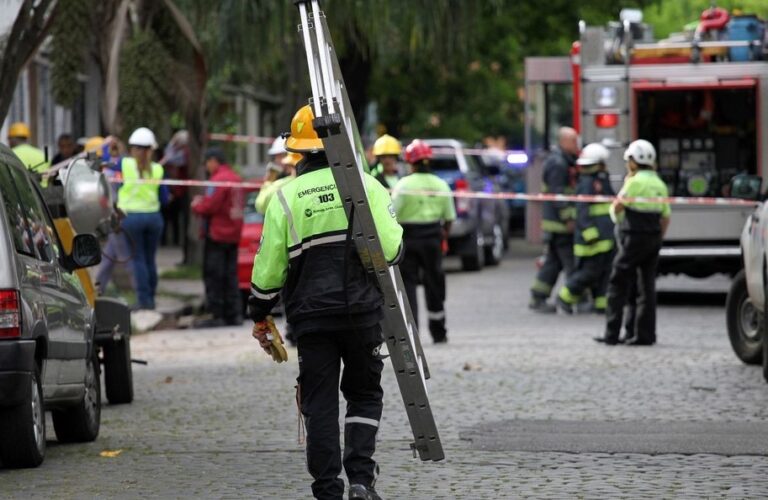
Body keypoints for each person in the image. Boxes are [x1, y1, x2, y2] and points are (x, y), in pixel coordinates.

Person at [248, 105, 403, 500]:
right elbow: (391, 248)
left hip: (311, 319)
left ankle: (328, 490)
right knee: (364, 394)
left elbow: (268, 269)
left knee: (319, 404)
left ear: (298, 154)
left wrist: (260, 312)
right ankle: (362, 482)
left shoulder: (284, 197)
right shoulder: (367, 186)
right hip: (362, 314)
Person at [595, 139, 671, 346]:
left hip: (632, 238)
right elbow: (665, 216)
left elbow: (617, 207)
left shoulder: (634, 182)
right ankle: (644, 335)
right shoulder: (659, 184)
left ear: (634, 161)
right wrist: (658, 238)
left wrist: (616, 218)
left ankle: (612, 334)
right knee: (646, 287)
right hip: (653, 238)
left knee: (618, 283)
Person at [391, 139, 456, 344]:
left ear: (411, 162)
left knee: (408, 284)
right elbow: (449, 218)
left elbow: (392, 215)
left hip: (408, 237)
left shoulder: (403, 185)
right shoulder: (441, 184)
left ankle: (412, 334)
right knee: (434, 283)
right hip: (433, 238)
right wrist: (442, 236)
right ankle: (439, 332)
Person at [556, 143, 615, 314]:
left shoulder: (601, 181)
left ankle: (601, 305)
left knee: (605, 274)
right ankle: (564, 298)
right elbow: (582, 213)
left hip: (605, 239)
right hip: (592, 241)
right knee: (588, 274)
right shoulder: (587, 184)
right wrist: (591, 235)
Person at [191, 148, 245, 327]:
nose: (207, 167)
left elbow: (209, 206)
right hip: (233, 235)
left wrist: (197, 205)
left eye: (207, 162)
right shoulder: (236, 178)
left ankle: (217, 315)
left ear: (214, 161)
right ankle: (234, 314)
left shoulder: (218, 180)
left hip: (218, 234)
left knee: (214, 275)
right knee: (231, 275)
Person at [528, 127, 580, 312]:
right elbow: (558, 195)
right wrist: (569, 219)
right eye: (574, 141)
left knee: (553, 263)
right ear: (563, 141)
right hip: (560, 226)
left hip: (556, 224)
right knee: (571, 263)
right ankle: (574, 298)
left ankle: (538, 297)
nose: (577, 145)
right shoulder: (558, 163)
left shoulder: (563, 161)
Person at [117, 127, 168, 310]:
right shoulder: (158, 169)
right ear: (151, 149)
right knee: (150, 259)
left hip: (131, 218)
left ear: (133, 148)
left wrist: (109, 142)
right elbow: (164, 197)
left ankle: (144, 300)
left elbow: (105, 160)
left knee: (138, 259)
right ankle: (151, 298)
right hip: (154, 218)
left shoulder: (124, 164)